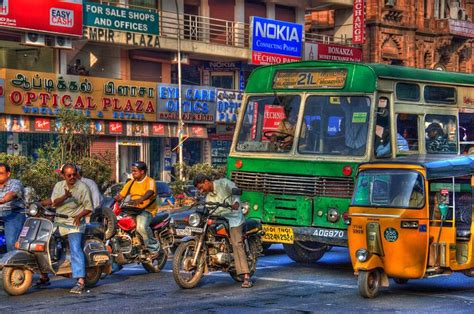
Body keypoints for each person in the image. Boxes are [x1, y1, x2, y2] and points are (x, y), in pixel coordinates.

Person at [38, 163, 93, 294]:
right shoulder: (59, 186)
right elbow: (54, 202)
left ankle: (80, 281)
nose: (72, 177)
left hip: (75, 222)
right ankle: (44, 276)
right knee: (42, 243)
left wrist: (79, 216)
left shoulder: (83, 187)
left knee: (75, 248)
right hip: (58, 222)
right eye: (69, 175)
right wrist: (65, 196)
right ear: (63, 175)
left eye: (74, 174)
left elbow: (89, 207)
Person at [193, 173, 253, 288]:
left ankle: (246, 276)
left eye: (201, 187)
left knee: (236, 243)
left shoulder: (223, 183)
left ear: (206, 181)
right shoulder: (208, 196)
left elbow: (235, 190)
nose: (201, 191)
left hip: (233, 218)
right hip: (219, 219)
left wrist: (235, 203)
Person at [115, 161, 159, 254]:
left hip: (147, 210)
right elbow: (121, 195)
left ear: (142, 171)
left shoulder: (150, 181)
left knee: (141, 227)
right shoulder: (130, 183)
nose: (133, 173)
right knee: (120, 224)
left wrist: (140, 199)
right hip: (133, 209)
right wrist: (113, 199)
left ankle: (154, 248)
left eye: (135, 171)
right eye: (132, 171)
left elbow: (150, 192)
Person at [0, 163, 26, 252]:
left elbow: (12, 193)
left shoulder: (15, 183)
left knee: (11, 242)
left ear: (8, 174)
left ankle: (12, 264)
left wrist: (3, 200)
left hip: (14, 213)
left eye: (1, 173)